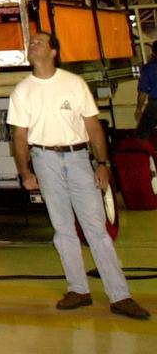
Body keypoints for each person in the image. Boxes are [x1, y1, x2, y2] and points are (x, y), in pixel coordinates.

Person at [9, 31, 149, 320]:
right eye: (30, 42)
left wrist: (102, 163)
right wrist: (25, 171)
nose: (32, 45)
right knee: (62, 229)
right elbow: (20, 136)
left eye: (39, 41)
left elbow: (93, 127)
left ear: (53, 52)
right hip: (44, 159)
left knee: (96, 228)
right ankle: (78, 289)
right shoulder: (22, 91)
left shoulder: (74, 85)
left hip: (77, 159)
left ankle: (120, 295)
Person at [133, 46, 157, 140]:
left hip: (155, 104)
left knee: (142, 135)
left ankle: (144, 153)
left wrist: (139, 108)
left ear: (153, 53)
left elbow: (143, 92)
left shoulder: (148, 68)